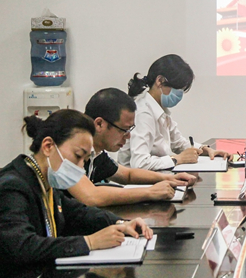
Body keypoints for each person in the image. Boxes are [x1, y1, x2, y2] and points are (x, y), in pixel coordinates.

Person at [0, 110, 153, 278]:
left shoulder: (42, 179)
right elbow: (25, 247)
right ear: (48, 146)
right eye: (78, 156)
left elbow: (76, 213)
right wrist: (90, 242)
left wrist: (121, 223)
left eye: (85, 160)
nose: (81, 167)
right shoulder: (11, 187)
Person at [65, 88, 198, 207]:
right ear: (99, 124)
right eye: (124, 130)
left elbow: (127, 175)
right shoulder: (70, 149)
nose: (128, 136)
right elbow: (91, 196)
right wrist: (150, 192)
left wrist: (169, 178)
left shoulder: (96, 153)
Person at [118, 54, 228, 170]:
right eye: (178, 88)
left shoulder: (160, 111)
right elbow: (139, 163)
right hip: (135, 180)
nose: (179, 94)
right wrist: (177, 159)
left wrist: (205, 149)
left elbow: (179, 143)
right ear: (160, 81)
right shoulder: (143, 113)